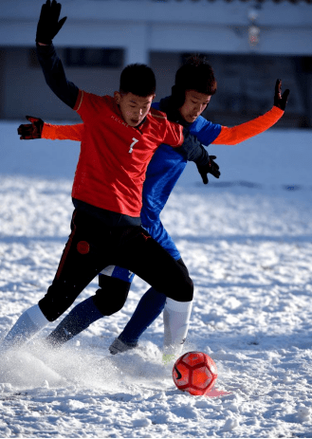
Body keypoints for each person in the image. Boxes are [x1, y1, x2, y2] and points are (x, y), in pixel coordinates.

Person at [17, 52, 289, 360]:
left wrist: (275, 113)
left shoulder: (195, 126)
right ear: (178, 93)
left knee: (120, 296)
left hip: (147, 220)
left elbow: (233, 135)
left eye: (205, 104)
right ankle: (118, 346)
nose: (197, 109)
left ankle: (104, 345)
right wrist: (49, 131)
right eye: (193, 100)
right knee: (155, 287)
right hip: (130, 218)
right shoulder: (149, 115)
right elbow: (93, 131)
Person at [1, 1, 219, 358]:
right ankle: (5, 357)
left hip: (130, 235)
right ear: (119, 97)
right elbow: (58, 82)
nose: (140, 113)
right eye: (133, 104)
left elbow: (186, 141)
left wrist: (203, 160)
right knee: (54, 304)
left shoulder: (157, 125)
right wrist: (44, 46)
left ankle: (170, 363)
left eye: (146, 105)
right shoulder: (97, 109)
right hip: (91, 229)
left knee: (181, 285)